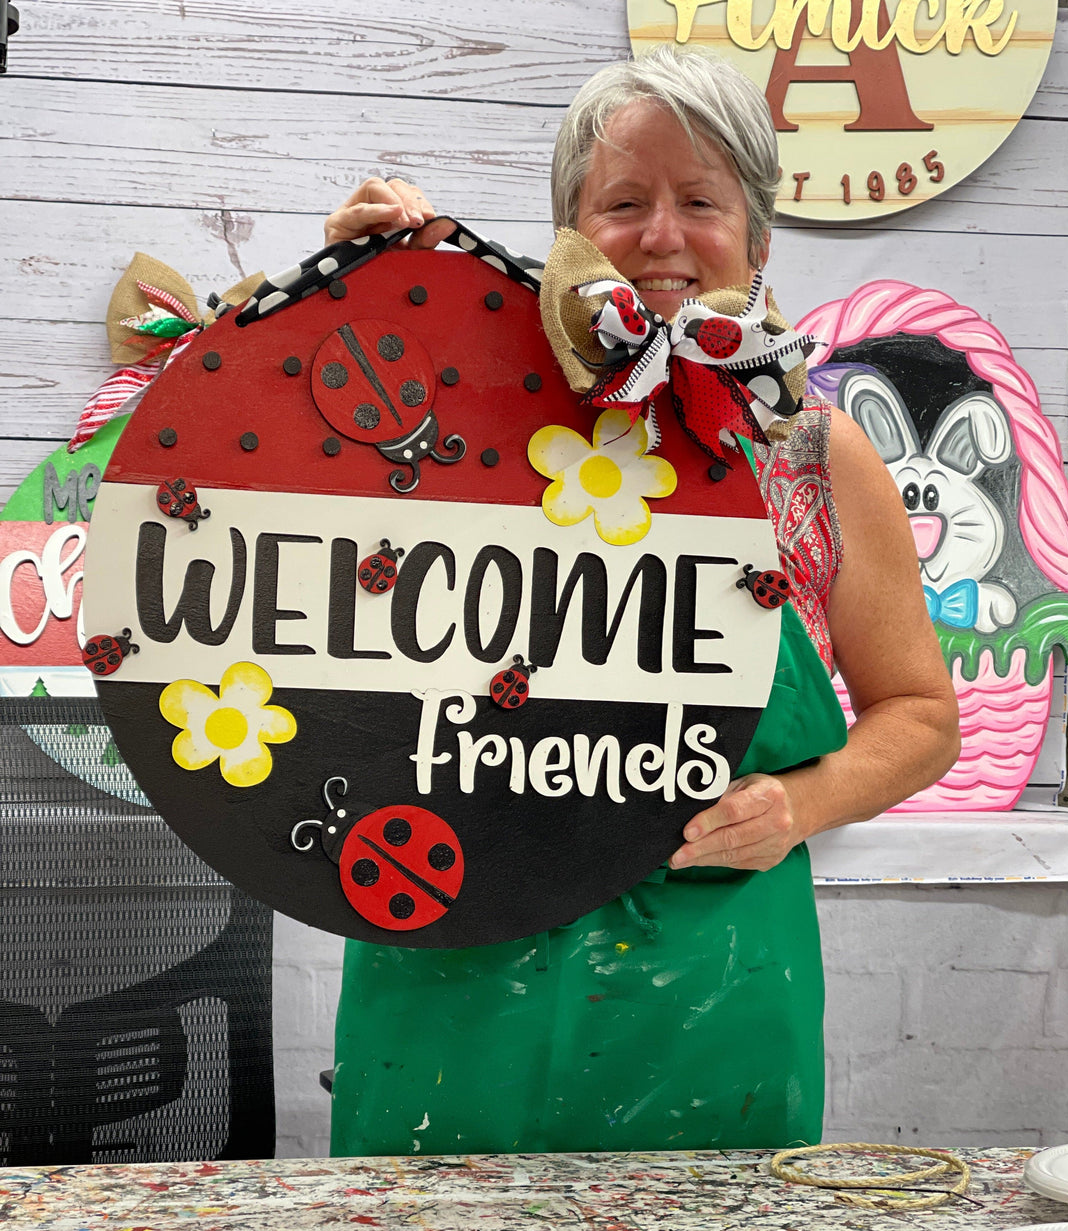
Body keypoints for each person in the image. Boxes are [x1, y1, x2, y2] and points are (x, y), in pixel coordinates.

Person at [323, 46, 960, 1156]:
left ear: (758, 239)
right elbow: (303, 534)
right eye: (623, 201)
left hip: (712, 991)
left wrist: (800, 806)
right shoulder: (455, 420)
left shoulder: (814, 455)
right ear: (570, 230)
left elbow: (921, 717)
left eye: (701, 200)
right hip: (450, 955)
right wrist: (366, 304)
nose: (662, 235)